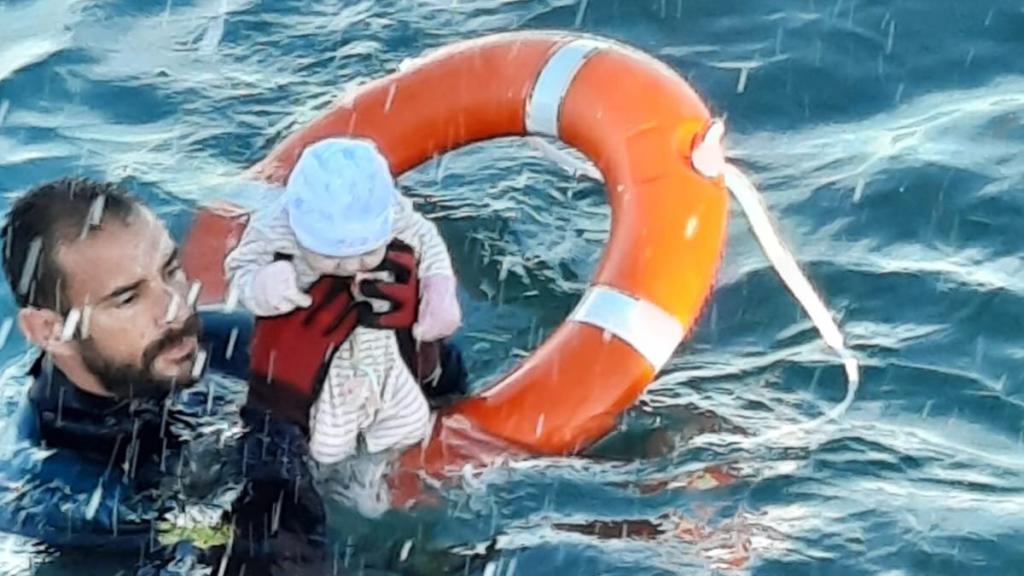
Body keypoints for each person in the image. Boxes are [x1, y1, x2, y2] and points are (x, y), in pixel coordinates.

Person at [225, 137, 464, 516]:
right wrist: (263, 283)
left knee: (403, 413)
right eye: (334, 259)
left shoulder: (397, 216)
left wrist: (439, 295)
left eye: (367, 253)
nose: (353, 267)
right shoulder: (276, 225)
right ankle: (328, 488)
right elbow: (242, 266)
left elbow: (430, 246)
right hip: (306, 369)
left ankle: (380, 470)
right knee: (310, 447)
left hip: (382, 348)